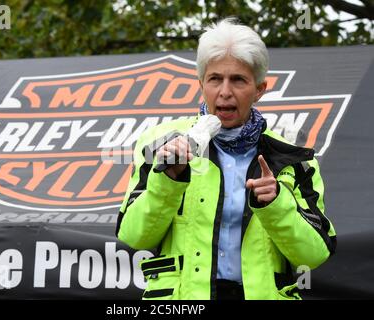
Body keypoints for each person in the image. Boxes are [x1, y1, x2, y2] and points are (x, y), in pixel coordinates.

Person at [115, 17, 336, 300]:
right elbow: (134, 236)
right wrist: (168, 180)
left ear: (259, 90)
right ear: (201, 84)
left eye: (238, 80)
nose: (225, 92)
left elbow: (315, 254)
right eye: (215, 79)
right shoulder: (161, 144)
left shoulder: (293, 158)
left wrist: (277, 203)